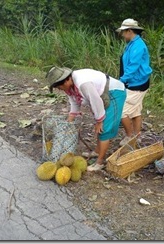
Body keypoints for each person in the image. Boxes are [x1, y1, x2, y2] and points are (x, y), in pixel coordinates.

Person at [46, 66, 126, 171]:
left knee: (104, 129)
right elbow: (74, 103)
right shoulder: (70, 87)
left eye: (59, 87)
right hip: (101, 96)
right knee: (99, 128)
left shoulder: (83, 84)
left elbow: (95, 100)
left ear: (66, 81)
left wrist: (99, 121)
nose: (59, 90)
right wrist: (68, 123)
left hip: (115, 92)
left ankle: (99, 162)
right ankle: (97, 152)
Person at [116, 18, 153, 146]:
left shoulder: (138, 46)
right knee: (136, 111)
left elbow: (133, 67)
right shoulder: (132, 43)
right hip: (136, 81)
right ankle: (137, 136)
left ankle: (130, 136)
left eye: (123, 32)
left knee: (122, 112)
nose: (122, 35)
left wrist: (121, 81)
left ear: (130, 31)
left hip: (136, 83)